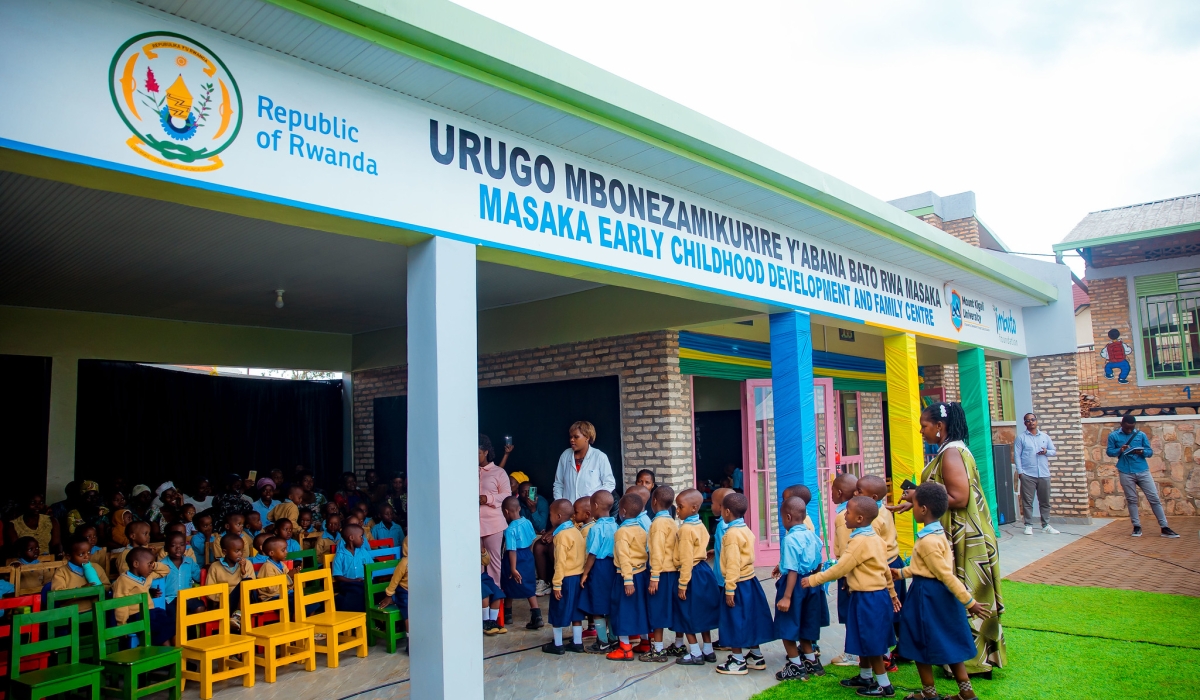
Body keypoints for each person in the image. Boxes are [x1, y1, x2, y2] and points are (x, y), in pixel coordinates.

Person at [890, 401, 1006, 677]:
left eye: (925, 426)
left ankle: (971, 663)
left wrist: (918, 496)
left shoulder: (952, 453)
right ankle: (961, 659)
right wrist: (916, 501)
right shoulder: (950, 450)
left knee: (963, 590)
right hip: (960, 532)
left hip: (964, 537)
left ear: (940, 427)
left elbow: (959, 497)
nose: (921, 431)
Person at [894, 482, 993, 700]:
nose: (912, 506)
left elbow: (945, 574)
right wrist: (900, 573)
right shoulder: (939, 533)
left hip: (927, 596)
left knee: (920, 642)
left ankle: (929, 694)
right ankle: (966, 693)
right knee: (950, 641)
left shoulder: (927, 541)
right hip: (942, 597)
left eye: (915, 503)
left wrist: (970, 602)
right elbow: (927, 566)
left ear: (923, 509)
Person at [804, 496, 899, 696]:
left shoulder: (858, 542)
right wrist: (891, 593)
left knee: (871, 642)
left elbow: (840, 569)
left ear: (859, 518)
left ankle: (884, 684)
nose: (844, 515)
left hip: (867, 598)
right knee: (863, 637)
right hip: (876, 596)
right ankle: (865, 676)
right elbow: (885, 570)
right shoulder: (876, 539)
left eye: (848, 512)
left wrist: (814, 580)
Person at [714, 493, 775, 676]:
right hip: (750, 580)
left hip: (737, 584)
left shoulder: (731, 534)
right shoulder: (745, 529)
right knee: (749, 618)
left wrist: (729, 589)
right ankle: (756, 655)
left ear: (727, 511)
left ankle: (737, 660)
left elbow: (732, 563)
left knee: (734, 621)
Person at [772, 496, 828, 682]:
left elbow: (793, 570)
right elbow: (819, 562)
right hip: (811, 583)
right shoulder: (813, 535)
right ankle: (812, 661)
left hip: (794, 586)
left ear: (788, 517)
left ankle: (795, 664)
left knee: (787, 625)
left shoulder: (789, 540)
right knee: (807, 623)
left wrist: (787, 597)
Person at [857, 474, 905, 665]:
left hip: (885, 567)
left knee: (887, 612)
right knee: (896, 611)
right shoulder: (881, 509)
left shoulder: (873, 520)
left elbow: (874, 551)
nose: (855, 493)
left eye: (859, 491)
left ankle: (884, 655)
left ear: (874, 497)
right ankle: (902, 648)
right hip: (895, 561)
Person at [1108, 415, 1180, 538]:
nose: (1129, 430)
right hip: (1125, 471)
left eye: (1132, 428)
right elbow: (1110, 452)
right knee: (1132, 499)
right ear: (1122, 425)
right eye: (1127, 428)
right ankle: (1136, 526)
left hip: (1142, 470)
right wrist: (1120, 450)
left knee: (1154, 498)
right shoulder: (1113, 436)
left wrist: (1142, 452)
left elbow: (1150, 452)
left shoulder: (1140, 435)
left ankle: (1164, 527)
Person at [672, 488, 720, 667]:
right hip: (703, 570)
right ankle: (708, 649)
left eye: (680, 507)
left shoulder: (685, 530)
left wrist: (682, 584)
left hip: (690, 573)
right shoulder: (700, 525)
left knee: (685, 613)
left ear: (693, 508)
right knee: (702, 611)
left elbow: (685, 559)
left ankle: (695, 652)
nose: (677, 510)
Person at [605, 493, 651, 661]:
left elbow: (624, 557)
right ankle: (646, 642)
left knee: (621, 611)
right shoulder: (641, 529)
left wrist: (628, 580)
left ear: (622, 511)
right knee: (641, 609)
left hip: (627, 576)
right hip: (642, 574)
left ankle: (625, 648)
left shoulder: (621, 532)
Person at [644, 485, 683, 662]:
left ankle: (658, 649)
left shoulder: (658, 524)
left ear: (654, 501)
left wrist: (654, 577)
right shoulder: (671, 521)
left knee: (657, 610)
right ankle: (679, 644)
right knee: (675, 609)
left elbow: (657, 552)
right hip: (673, 572)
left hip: (662, 573)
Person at [542, 499, 585, 655]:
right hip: (577, 577)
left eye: (551, 515)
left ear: (558, 516)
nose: (550, 518)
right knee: (575, 612)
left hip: (565, 579)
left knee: (558, 610)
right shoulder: (576, 532)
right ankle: (577, 642)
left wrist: (556, 584)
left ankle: (558, 645)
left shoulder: (561, 536)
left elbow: (560, 562)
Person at [579, 490, 617, 651]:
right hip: (613, 567)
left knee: (597, 606)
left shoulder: (595, 529)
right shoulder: (616, 525)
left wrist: (585, 573)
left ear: (595, 506)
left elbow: (593, 554)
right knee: (610, 605)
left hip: (599, 568)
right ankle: (614, 638)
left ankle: (602, 642)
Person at [112, 547, 172, 644]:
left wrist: (154, 565)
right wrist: (122, 625)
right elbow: (120, 604)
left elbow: (165, 570)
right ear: (136, 564)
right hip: (136, 615)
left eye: (152, 564)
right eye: (149, 564)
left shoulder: (148, 575)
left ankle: (172, 651)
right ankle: (167, 653)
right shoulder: (123, 580)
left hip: (151, 611)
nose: (151, 567)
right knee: (158, 628)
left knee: (169, 621)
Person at [1014, 413, 1061, 536]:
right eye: (1028, 421)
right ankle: (1028, 525)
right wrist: (1020, 472)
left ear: (1036, 421)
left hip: (1044, 474)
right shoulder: (1021, 438)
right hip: (1028, 474)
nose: (1031, 422)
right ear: (1025, 423)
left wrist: (1046, 452)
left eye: (1033, 420)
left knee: (1045, 501)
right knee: (1027, 501)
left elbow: (1053, 451)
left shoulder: (1045, 437)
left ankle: (1045, 525)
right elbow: (1017, 456)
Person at [552, 420, 616, 505]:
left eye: (576, 437)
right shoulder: (565, 455)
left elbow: (609, 484)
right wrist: (560, 503)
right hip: (569, 510)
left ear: (587, 437)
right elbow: (558, 484)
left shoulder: (599, 456)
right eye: (571, 437)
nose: (572, 440)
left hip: (590, 510)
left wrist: (595, 501)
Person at [500, 496, 541, 630]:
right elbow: (532, 540)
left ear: (506, 512)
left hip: (514, 559)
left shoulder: (510, 529)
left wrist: (513, 568)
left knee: (508, 583)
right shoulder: (528, 522)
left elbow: (511, 550)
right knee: (529, 585)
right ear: (519, 508)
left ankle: (508, 614)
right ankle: (537, 615)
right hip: (528, 555)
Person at [478, 434, 512, 587]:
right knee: (475, 563)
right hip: (472, 526)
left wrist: (488, 499)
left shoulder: (498, 472)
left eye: (478, 452)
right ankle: (479, 601)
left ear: (486, 452)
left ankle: (495, 600)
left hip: (493, 524)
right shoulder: (465, 472)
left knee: (493, 562)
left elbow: (506, 495)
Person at [208, 533, 256, 630]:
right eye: (237, 551)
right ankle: (237, 616)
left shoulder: (247, 564)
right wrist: (225, 597)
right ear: (225, 552)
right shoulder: (215, 567)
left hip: (245, 602)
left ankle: (237, 616)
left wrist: (243, 571)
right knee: (245, 584)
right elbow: (210, 592)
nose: (240, 554)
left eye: (242, 550)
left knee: (247, 582)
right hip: (225, 602)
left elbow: (252, 586)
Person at [49, 536, 109, 607]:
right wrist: (82, 591)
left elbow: (107, 586)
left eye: (89, 552)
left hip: (97, 612)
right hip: (72, 614)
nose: (86, 556)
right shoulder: (61, 572)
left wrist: (98, 589)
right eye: (81, 554)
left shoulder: (96, 567)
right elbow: (58, 595)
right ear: (68, 556)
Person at [518, 481, 553, 596]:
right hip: (525, 534)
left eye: (530, 491)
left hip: (541, 535)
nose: (527, 495)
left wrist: (533, 509)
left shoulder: (541, 502)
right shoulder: (517, 503)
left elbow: (541, 526)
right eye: (523, 492)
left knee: (535, 544)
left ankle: (541, 581)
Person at [331, 523, 373, 612]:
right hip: (348, 584)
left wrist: (368, 579)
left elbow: (371, 568)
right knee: (354, 593)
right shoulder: (340, 555)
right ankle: (358, 618)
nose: (363, 540)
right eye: (361, 536)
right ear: (351, 538)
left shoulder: (363, 552)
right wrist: (353, 581)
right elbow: (337, 576)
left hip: (364, 583)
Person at [481, 547, 507, 635]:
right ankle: (485, 622)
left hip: (483, 576)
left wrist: (483, 552)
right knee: (485, 593)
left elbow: (486, 562)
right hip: (472, 579)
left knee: (497, 594)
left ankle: (493, 621)